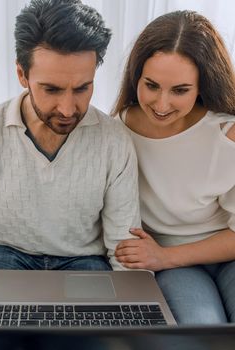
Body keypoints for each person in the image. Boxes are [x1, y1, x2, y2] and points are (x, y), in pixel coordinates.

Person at [0, 0, 141, 272]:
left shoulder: (114, 141)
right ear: (22, 74)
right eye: (52, 90)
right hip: (3, 257)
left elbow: (123, 248)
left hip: (84, 262)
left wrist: (128, 309)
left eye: (82, 88)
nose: (68, 109)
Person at [113, 10, 235, 324]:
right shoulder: (115, 132)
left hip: (222, 253)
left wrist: (166, 256)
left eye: (180, 90)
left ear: (201, 87)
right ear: (135, 77)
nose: (162, 104)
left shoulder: (227, 136)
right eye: (151, 86)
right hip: (173, 265)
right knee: (203, 331)